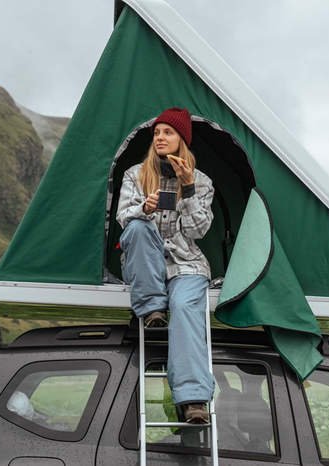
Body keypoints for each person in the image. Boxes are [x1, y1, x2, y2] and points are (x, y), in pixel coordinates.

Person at [116, 107, 215, 424]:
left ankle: (193, 400)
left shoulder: (202, 181)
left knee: (185, 307)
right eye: (157, 132)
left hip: (186, 264)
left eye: (167, 132)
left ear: (181, 140)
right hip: (147, 265)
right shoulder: (135, 174)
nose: (160, 137)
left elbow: (199, 231)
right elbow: (123, 220)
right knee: (137, 226)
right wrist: (144, 208)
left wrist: (187, 191)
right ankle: (152, 308)